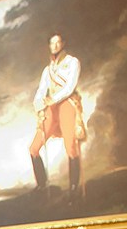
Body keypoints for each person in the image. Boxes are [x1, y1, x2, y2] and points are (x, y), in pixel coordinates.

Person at [27, 33, 84, 203]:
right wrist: (38, 102)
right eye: (52, 43)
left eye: (58, 42)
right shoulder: (47, 70)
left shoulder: (73, 62)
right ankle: (42, 185)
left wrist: (52, 99)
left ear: (63, 43)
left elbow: (69, 87)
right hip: (51, 108)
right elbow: (41, 89)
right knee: (34, 148)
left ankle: (74, 189)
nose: (55, 46)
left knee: (71, 147)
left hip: (67, 105)